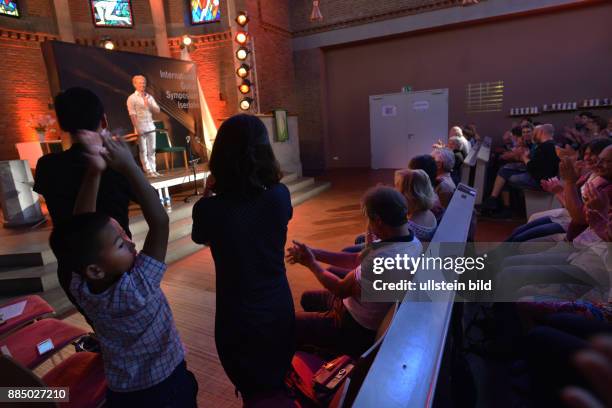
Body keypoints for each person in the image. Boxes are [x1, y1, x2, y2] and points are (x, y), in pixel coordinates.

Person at [49, 135, 198, 407]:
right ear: (95, 269)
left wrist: (94, 172)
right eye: (120, 243)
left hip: (123, 393)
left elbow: (81, 227)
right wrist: (130, 166)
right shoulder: (138, 287)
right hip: (167, 386)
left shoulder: (80, 287)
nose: (130, 243)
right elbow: (160, 222)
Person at [191, 114, 294, 402]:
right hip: (276, 301)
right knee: (276, 376)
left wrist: (208, 195)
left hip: (236, 311)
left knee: (251, 386)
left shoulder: (209, 210)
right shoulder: (279, 196)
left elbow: (204, 237)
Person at [34, 87, 135, 323]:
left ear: (63, 126)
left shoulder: (47, 166)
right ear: (104, 120)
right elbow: (157, 215)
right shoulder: (117, 163)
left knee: (106, 333)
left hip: (73, 270)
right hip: (117, 266)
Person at [287, 186, 422, 357]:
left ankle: (319, 354)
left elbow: (340, 289)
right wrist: (313, 252)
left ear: (378, 220)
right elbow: (354, 260)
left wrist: (311, 263)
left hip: (352, 324)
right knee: (307, 298)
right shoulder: (412, 241)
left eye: (368, 219)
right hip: (353, 306)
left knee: (289, 324)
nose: (367, 224)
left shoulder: (383, 258)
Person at [482, 124, 560, 216]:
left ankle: (505, 206)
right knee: (504, 170)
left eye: (533, 132)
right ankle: (496, 202)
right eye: (524, 132)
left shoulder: (544, 146)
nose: (532, 134)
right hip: (540, 175)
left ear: (541, 132)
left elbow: (532, 166)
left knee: (508, 176)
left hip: (540, 181)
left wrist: (523, 157)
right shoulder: (547, 145)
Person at [127, 75, 161, 177]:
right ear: (135, 84)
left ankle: (154, 169)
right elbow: (132, 115)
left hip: (151, 126)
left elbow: (157, 110)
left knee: (152, 149)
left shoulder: (149, 97)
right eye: (140, 82)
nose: (143, 84)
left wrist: (149, 104)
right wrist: (137, 129)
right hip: (140, 126)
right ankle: (148, 170)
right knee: (143, 150)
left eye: (144, 82)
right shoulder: (131, 98)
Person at [395, 169, 438, 241]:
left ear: (407, 194)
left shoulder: (409, 228)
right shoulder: (428, 212)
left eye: (397, 187)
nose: (395, 190)